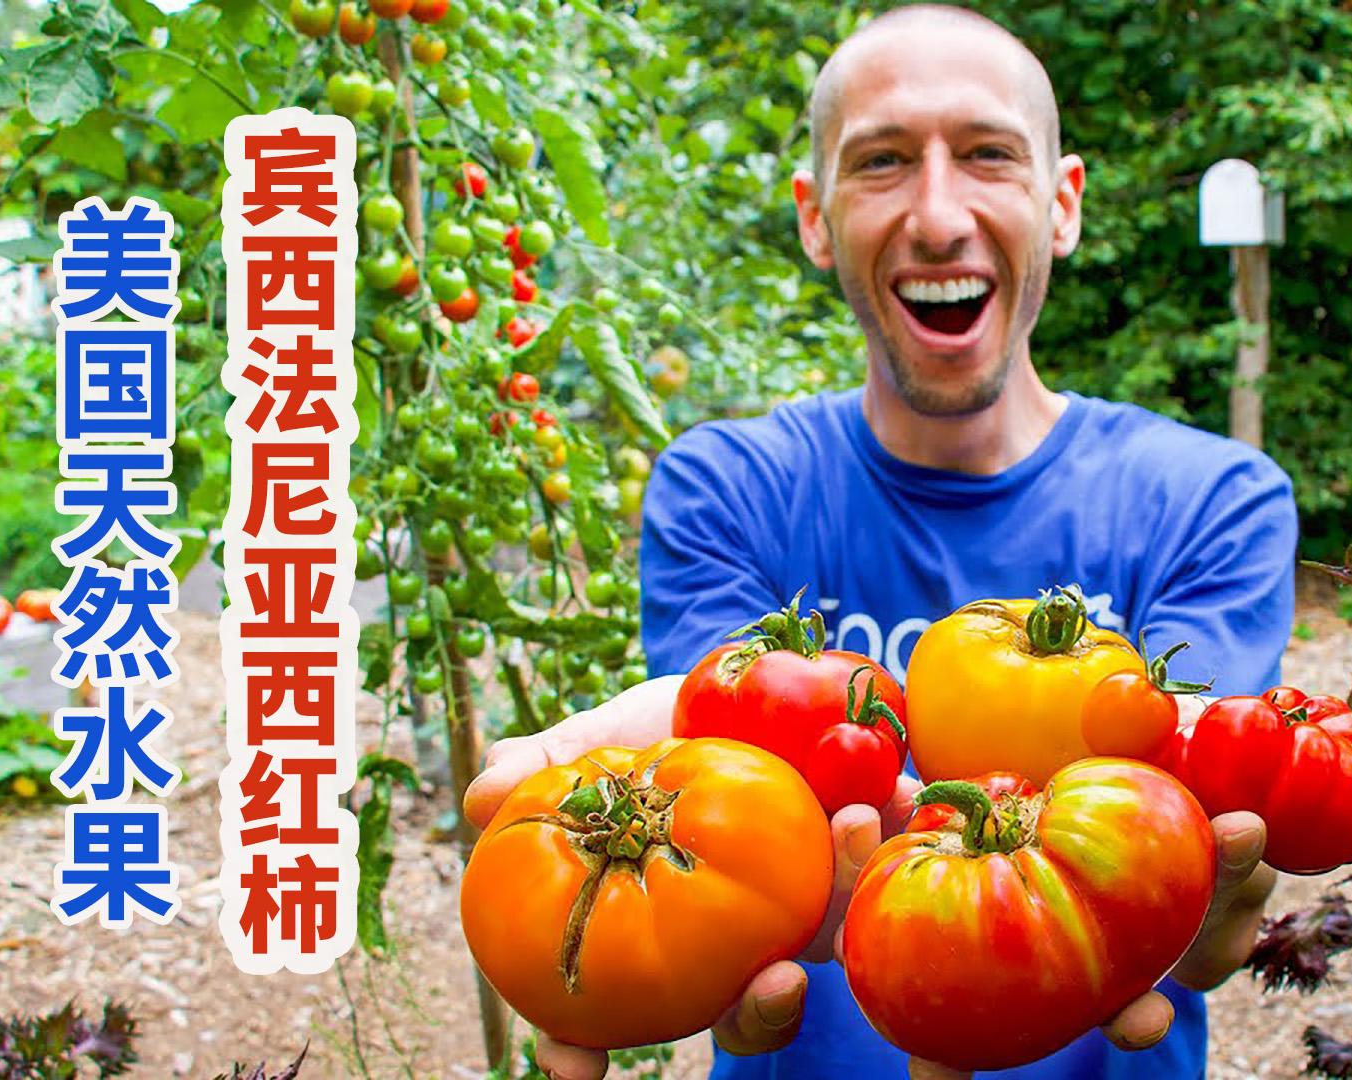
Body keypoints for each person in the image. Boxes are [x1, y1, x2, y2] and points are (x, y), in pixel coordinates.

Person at [462, 5, 1299, 1078]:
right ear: (816, 218)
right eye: (884, 161)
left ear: (1063, 203)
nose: (940, 215)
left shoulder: (1214, 498)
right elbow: (718, 788)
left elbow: (1190, 814)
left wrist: (1208, 892)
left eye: (989, 154)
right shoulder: (728, 488)